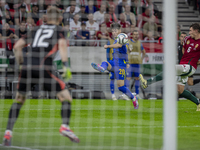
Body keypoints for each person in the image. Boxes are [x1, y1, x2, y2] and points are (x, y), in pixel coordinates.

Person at [2, 6, 80, 146]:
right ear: (60, 19)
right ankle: (65, 127)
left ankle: (8, 132)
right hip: (44, 67)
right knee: (66, 97)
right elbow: (62, 45)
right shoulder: (60, 30)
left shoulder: (36, 29)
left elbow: (17, 46)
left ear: (46, 18)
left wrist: (21, 63)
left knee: (19, 99)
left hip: (27, 67)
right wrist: (65, 66)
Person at [139, 23, 200, 111]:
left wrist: (197, 61)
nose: (189, 32)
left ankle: (147, 82)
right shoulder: (187, 39)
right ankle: (198, 103)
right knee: (180, 90)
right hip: (183, 65)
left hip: (190, 67)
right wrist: (187, 56)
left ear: (196, 31)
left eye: (190, 30)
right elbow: (184, 49)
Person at [91, 23, 139, 108]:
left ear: (120, 31)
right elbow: (127, 48)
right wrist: (129, 49)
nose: (114, 32)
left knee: (120, 87)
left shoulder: (121, 36)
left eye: (115, 30)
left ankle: (133, 98)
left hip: (121, 65)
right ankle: (102, 68)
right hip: (114, 62)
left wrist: (108, 46)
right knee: (106, 62)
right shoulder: (118, 38)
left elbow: (119, 45)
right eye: (112, 31)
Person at [125, 30, 146, 99]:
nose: (136, 36)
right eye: (134, 34)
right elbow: (125, 51)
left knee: (137, 79)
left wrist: (141, 59)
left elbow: (144, 52)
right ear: (132, 35)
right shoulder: (129, 42)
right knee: (128, 78)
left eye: (137, 34)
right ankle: (126, 94)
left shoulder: (139, 43)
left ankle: (137, 94)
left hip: (137, 64)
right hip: (130, 64)